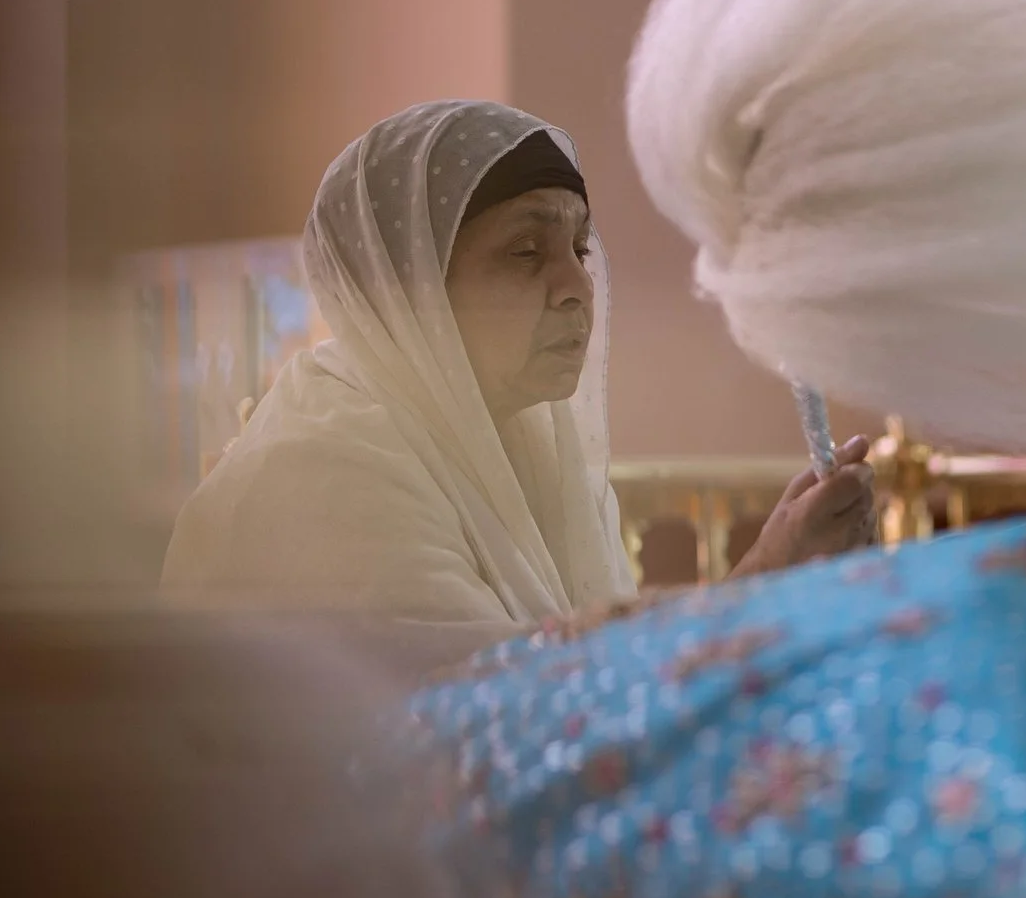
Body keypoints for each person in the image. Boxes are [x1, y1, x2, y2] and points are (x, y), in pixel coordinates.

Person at [162, 101, 874, 653]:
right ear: (408, 292)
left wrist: (774, 571)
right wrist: (761, 580)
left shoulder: (524, 440)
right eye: (526, 251)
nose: (576, 287)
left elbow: (587, 681)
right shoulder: (323, 473)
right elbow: (500, 708)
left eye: (579, 245)